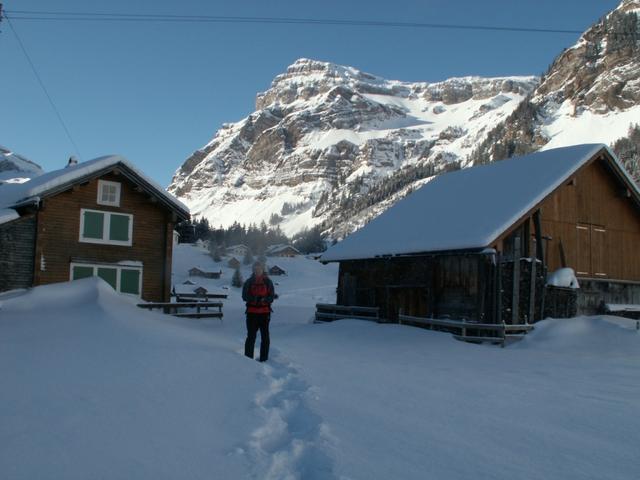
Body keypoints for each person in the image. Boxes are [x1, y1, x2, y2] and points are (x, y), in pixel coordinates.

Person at [242, 261, 275, 362]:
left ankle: (264, 359)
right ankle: (248, 360)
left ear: (262, 269)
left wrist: (264, 300)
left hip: (265, 314)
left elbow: (272, 296)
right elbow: (244, 296)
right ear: (253, 270)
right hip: (252, 314)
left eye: (259, 269)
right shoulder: (249, 282)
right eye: (255, 269)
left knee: (265, 338)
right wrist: (254, 299)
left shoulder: (268, 282)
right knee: (251, 337)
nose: (257, 271)